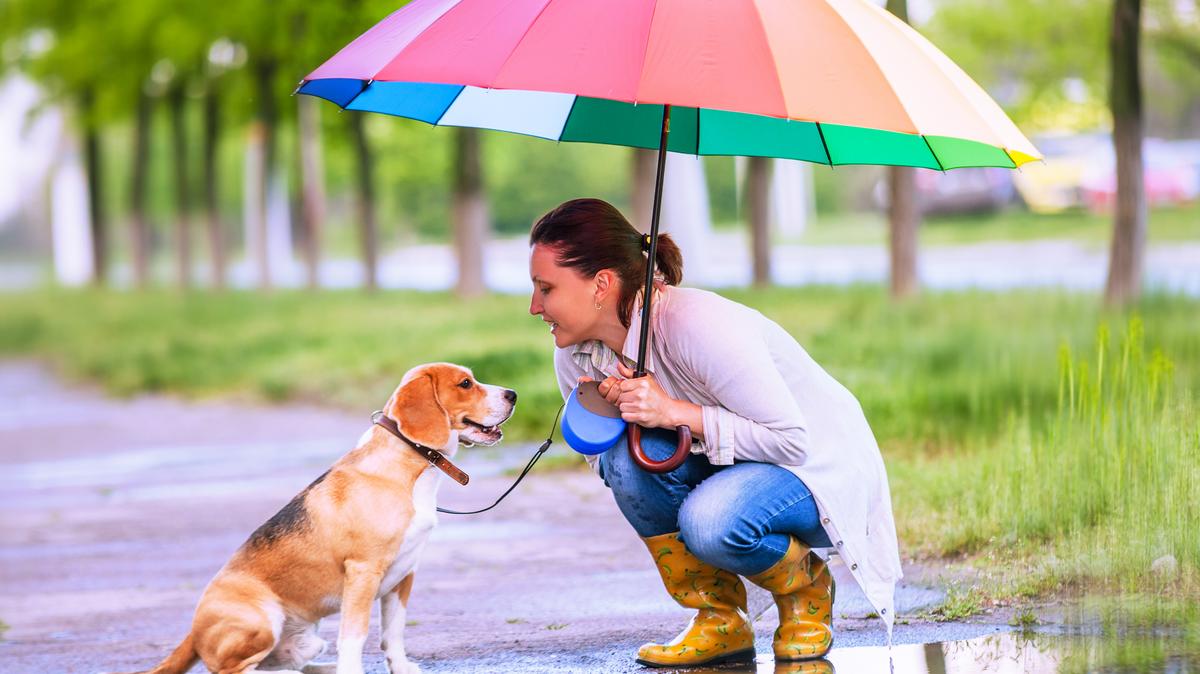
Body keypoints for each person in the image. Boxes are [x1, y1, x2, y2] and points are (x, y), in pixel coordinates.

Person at [527, 198, 902, 668]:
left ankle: (806, 587)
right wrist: (604, 416)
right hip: (735, 464)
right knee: (623, 457)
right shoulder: (576, 353)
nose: (534, 306)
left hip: (811, 469)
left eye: (546, 288)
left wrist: (672, 412)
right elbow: (608, 468)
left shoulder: (696, 323)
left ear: (601, 284)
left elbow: (790, 440)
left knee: (710, 522)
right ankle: (719, 619)